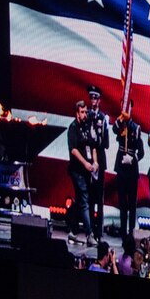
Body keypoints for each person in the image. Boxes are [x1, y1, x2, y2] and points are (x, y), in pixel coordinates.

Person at [112, 102, 144, 239]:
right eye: (125, 107)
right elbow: (114, 129)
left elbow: (141, 151)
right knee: (122, 204)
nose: (126, 110)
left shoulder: (135, 128)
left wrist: (132, 158)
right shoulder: (120, 125)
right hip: (121, 168)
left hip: (131, 170)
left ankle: (131, 232)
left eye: (128, 108)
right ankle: (123, 232)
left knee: (132, 204)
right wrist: (120, 118)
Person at [66, 100, 96, 247]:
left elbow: (93, 145)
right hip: (77, 170)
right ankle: (90, 234)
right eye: (82, 112)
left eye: (86, 112)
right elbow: (74, 149)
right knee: (84, 200)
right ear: (77, 113)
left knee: (80, 201)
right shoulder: (73, 128)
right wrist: (85, 163)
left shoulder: (87, 127)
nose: (85, 115)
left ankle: (72, 230)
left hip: (87, 171)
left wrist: (95, 162)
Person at [85, 85, 111, 242]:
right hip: (88, 160)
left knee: (99, 199)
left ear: (99, 101)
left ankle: (99, 233)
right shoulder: (86, 115)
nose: (93, 101)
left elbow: (106, 144)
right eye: (91, 98)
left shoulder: (102, 118)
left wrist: (100, 135)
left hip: (100, 160)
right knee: (89, 198)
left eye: (96, 98)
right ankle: (89, 232)